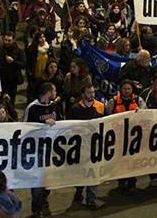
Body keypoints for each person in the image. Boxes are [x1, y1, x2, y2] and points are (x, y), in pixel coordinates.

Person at [23, 83, 60, 217]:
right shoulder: (32, 108)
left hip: (51, 148)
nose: (56, 92)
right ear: (48, 92)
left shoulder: (54, 105)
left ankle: (44, 199)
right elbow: (24, 128)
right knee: (37, 181)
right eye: (54, 90)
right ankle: (36, 210)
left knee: (48, 179)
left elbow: (60, 121)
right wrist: (42, 125)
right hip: (36, 150)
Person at [68, 85, 104, 209]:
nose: (92, 95)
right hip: (80, 147)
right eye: (89, 93)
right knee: (81, 172)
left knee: (93, 172)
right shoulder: (75, 109)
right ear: (83, 94)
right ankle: (79, 190)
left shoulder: (100, 106)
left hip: (95, 146)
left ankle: (91, 199)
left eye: (93, 92)